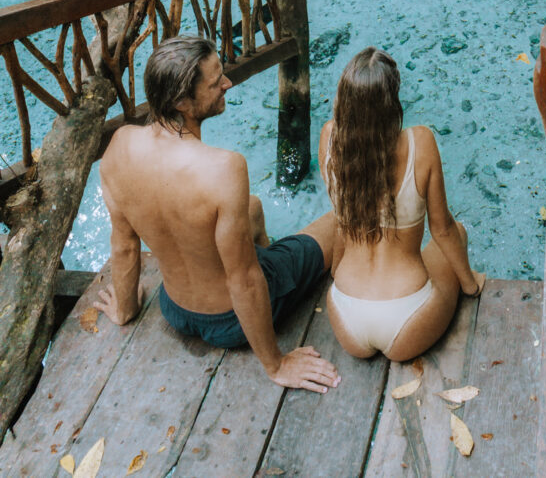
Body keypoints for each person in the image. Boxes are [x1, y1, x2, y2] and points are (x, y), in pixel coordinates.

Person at [95, 33, 340, 393]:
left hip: (175, 309)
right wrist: (276, 364)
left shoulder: (119, 146)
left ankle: (268, 252)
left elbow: (124, 246)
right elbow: (244, 279)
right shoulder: (224, 168)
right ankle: (288, 278)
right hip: (231, 323)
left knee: (252, 208)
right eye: (215, 83)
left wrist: (125, 310)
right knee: (341, 222)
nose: (227, 83)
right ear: (181, 101)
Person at [319, 46, 485, 361]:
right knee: (459, 232)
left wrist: (337, 268)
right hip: (409, 315)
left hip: (344, 309)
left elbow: (341, 221)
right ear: (392, 102)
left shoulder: (329, 138)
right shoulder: (419, 142)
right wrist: (471, 285)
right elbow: (443, 229)